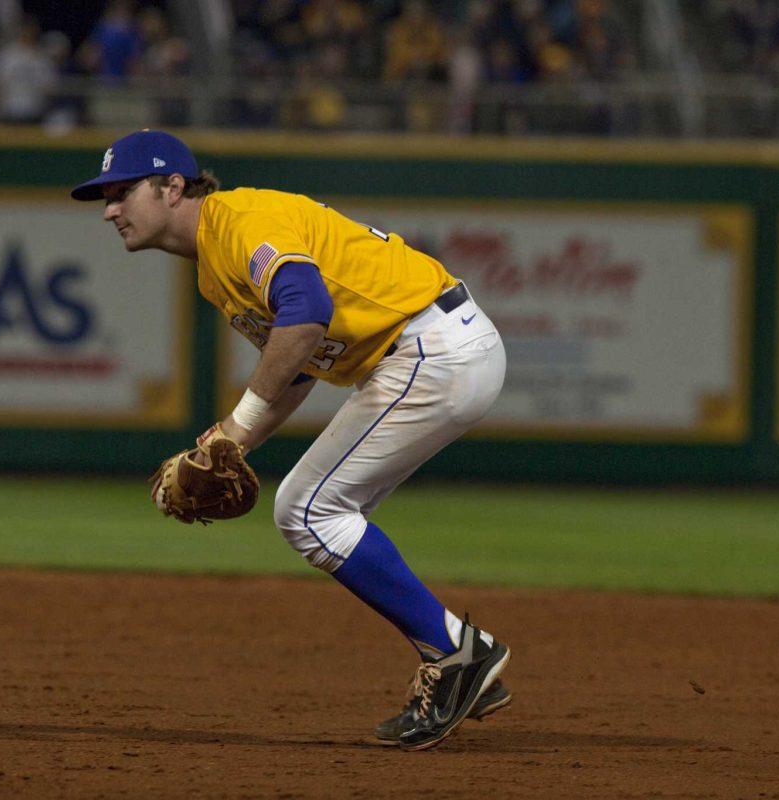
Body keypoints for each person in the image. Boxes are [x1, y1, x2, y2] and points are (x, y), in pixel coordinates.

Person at [70, 130, 511, 751]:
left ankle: (459, 656)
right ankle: (460, 658)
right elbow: (300, 368)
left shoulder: (241, 222)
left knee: (307, 509)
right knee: (320, 512)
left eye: (121, 192)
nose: (110, 209)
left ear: (172, 187)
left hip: (431, 347)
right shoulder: (212, 269)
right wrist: (232, 443)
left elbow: (307, 311)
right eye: (104, 198)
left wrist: (233, 430)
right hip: (430, 351)